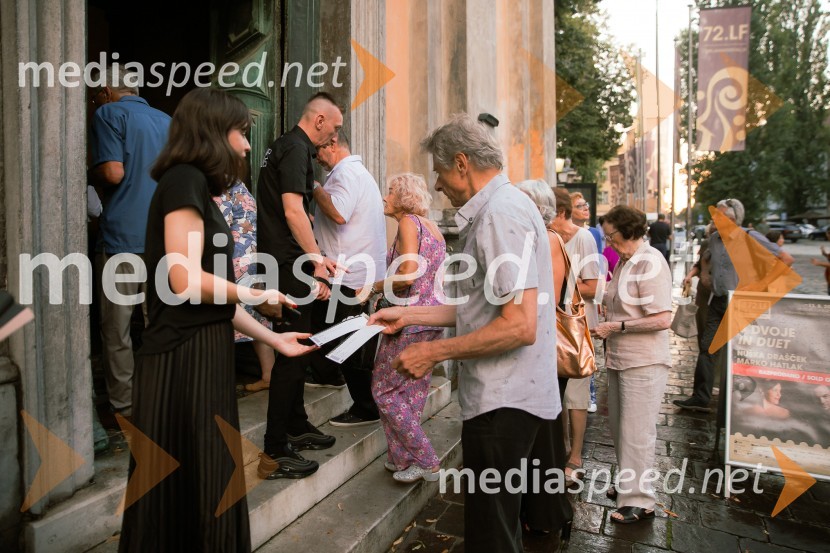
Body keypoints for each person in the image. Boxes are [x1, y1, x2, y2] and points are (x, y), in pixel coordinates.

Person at [119, 88, 315, 552]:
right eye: (241, 133)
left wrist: (275, 339)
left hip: (204, 351)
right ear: (211, 131)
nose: (247, 145)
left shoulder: (198, 189)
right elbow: (184, 278)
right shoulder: (182, 179)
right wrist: (255, 291)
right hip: (179, 358)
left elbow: (218, 306)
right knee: (192, 487)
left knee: (209, 482)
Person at [368, 114, 560, 553]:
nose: (436, 186)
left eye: (438, 173)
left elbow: (519, 324)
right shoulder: (502, 209)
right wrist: (411, 315)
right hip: (505, 397)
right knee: (495, 525)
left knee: (491, 535)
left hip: (503, 400)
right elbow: (480, 308)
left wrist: (431, 354)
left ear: (460, 163)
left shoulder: (500, 215)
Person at [256, 92, 343, 479]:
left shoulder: (288, 147)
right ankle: (275, 450)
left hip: (287, 261)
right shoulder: (294, 148)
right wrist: (316, 262)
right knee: (293, 351)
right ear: (319, 120)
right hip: (289, 263)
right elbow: (294, 209)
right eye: (335, 127)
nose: (335, 136)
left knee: (301, 343)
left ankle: (295, 424)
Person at [351, 173, 447, 482]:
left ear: (404, 196)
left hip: (409, 319)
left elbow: (407, 275)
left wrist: (374, 287)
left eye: (390, 190)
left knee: (383, 390)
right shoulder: (433, 228)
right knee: (410, 394)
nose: (384, 196)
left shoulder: (408, 223)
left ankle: (427, 459)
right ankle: (402, 459)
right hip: (430, 317)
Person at [89, 64, 171, 419]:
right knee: (160, 324)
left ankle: (125, 406)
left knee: (117, 329)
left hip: (122, 237)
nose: (95, 101)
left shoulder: (108, 112)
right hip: (162, 239)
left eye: (95, 95)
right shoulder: (167, 120)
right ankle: (161, 396)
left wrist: (87, 172)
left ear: (107, 91)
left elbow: (112, 171)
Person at [674, 199, 794, 413]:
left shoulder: (750, 237)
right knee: (707, 349)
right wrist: (699, 275)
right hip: (718, 302)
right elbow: (705, 262)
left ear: (733, 219)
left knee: (742, 353)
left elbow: (785, 259)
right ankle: (701, 398)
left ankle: (744, 401)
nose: (716, 220)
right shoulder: (714, 239)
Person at [592, 205, 672, 525]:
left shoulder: (650, 262)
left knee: (637, 432)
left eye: (610, 234)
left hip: (644, 360)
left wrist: (616, 327)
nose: (608, 241)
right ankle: (629, 485)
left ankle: (640, 500)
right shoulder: (626, 261)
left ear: (628, 231)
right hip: (621, 358)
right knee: (621, 428)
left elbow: (663, 318)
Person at [308, 129, 387, 426]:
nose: (316, 157)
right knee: (331, 328)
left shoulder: (345, 174)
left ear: (332, 144)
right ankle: (329, 375)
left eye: (318, 150)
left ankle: (365, 407)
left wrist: (313, 186)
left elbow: (339, 213)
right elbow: (342, 221)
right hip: (356, 271)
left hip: (348, 273)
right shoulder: (356, 173)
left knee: (346, 338)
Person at [515, 179, 573, 542]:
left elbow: (543, 306)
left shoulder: (549, 239)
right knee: (536, 439)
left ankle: (549, 514)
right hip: (534, 353)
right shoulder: (536, 238)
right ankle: (542, 512)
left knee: (544, 440)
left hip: (545, 355)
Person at [550, 187, 600, 486]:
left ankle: (576, 455)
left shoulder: (583, 237)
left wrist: (560, 281)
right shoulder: (548, 237)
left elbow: (593, 286)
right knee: (558, 393)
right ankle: (561, 447)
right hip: (552, 323)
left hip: (574, 324)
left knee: (576, 394)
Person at [213, 182, 277, 393]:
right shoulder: (241, 188)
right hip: (250, 258)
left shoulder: (222, 190)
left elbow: (217, 225)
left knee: (223, 316)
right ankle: (269, 374)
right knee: (256, 317)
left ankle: (218, 381)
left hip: (233, 262)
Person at [570, 191, 602, 413]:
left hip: (581, 306)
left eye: (586, 204)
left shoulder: (589, 235)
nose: (585, 208)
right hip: (568, 308)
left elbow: (593, 276)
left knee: (584, 360)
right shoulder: (562, 235)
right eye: (580, 205)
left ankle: (589, 396)